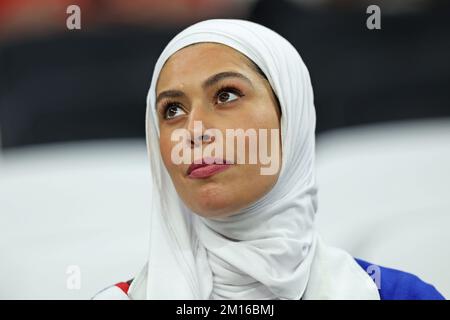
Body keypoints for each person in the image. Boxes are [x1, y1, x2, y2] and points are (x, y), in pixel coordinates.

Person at [93, 19, 444, 300]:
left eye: (226, 95)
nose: (194, 130)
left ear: (289, 116)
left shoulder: (398, 295)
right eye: (172, 109)